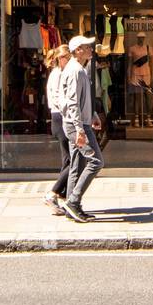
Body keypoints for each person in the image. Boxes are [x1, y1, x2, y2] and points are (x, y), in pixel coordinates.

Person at [56, 35, 103, 223]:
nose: (91, 49)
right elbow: (72, 103)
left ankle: (71, 206)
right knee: (95, 162)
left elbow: (81, 101)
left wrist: (92, 115)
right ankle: (73, 201)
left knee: (77, 165)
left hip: (79, 123)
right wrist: (80, 129)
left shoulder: (79, 69)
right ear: (77, 51)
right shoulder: (76, 71)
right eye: (87, 47)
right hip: (77, 125)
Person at [43, 45, 72, 215]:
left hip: (58, 117)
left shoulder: (57, 74)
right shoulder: (58, 75)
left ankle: (62, 196)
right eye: (68, 58)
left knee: (68, 159)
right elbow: (59, 98)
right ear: (61, 59)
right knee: (75, 159)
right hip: (61, 117)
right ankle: (53, 193)